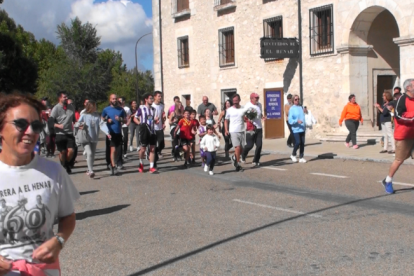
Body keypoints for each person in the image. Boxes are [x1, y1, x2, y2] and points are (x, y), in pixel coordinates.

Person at [0, 92, 79, 275]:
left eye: (36, 126)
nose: (30, 132)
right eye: (20, 124)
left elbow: (68, 216)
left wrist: (59, 240)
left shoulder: (54, 172)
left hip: (44, 271)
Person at [382, 79, 414, 194]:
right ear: (409, 88)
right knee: (399, 160)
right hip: (404, 136)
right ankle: (388, 180)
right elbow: (399, 115)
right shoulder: (402, 99)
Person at [50, 91, 76, 174]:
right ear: (60, 98)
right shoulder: (56, 108)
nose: (66, 98)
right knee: (63, 152)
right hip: (60, 134)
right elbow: (50, 121)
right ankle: (63, 166)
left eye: (67, 97)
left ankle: (66, 164)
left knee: (71, 151)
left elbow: (74, 119)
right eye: (64, 97)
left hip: (69, 133)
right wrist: (57, 125)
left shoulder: (71, 107)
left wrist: (78, 124)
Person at [101, 94, 126, 176]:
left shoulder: (121, 109)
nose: (114, 100)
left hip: (118, 132)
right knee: (113, 149)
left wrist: (120, 119)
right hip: (110, 132)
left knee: (118, 150)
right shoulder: (106, 109)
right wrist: (107, 120)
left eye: (115, 99)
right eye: (113, 99)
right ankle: (113, 166)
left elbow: (125, 120)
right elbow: (101, 119)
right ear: (110, 100)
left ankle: (114, 163)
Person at [134, 93, 158, 174]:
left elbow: (151, 120)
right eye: (150, 98)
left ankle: (151, 167)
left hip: (152, 130)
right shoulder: (141, 108)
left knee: (152, 148)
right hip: (144, 129)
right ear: (146, 99)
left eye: (152, 98)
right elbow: (135, 117)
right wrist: (140, 124)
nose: (152, 100)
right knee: (143, 149)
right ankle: (141, 163)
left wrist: (155, 121)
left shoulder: (154, 109)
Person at [76, 101, 100, 178]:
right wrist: (80, 125)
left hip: (94, 137)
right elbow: (77, 124)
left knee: (92, 155)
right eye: (94, 106)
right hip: (86, 137)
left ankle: (89, 169)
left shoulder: (97, 115)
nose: (96, 108)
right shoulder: (84, 115)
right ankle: (91, 171)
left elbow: (102, 124)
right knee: (89, 153)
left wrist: (108, 133)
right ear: (91, 107)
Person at [241, 93, 266, 167]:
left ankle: (256, 160)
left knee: (259, 145)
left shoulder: (259, 105)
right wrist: (246, 119)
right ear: (251, 98)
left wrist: (262, 117)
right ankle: (243, 155)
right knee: (249, 145)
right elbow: (243, 115)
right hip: (250, 128)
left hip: (259, 128)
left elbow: (260, 114)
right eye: (256, 98)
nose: (257, 99)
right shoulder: (248, 105)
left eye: (258, 98)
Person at [225, 94, 245, 172]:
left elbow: (246, 117)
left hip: (242, 130)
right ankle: (237, 164)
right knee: (237, 147)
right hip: (233, 131)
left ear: (239, 100)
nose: (235, 102)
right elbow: (226, 120)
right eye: (234, 101)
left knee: (242, 149)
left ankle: (234, 157)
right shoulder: (229, 110)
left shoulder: (243, 108)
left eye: (236, 101)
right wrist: (226, 130)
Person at [288, 95, 307, 163]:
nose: (297, 100)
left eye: (298, 99)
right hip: (296, 128)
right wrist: (296, 120)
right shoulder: (292, 109)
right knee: (298, 142)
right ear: (293, 100)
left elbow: (303, 116)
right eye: (296, 99)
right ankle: (293, 154)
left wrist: (305, 111)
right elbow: (290, 120)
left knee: (302, 143)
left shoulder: (300, 107)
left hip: (302, 128)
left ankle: (301, 157)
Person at [152, 91, 166, 165]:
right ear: (154, 97)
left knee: (162, 144)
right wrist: (154, 120)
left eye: (161, 96)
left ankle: (157, 152)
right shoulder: (152, 106)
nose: (160, 98)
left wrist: (163, 120)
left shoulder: (161, 106)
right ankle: (154, 162)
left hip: (160, 127)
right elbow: (148, 118)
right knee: (153, 145)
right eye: (158, 96)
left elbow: (162, 115)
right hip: (153, 128)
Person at [118, 97, 131, 162]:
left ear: (123, 102)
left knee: (125, 138)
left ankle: (125, 152)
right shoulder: (117, 109)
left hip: (125, 125)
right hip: (119, 126)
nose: (120, 102)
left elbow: (129, 116)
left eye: (121, 101)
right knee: (120, 139)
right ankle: (120, 152)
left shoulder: (127, 109)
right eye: (119, 101)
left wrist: (128, 122)